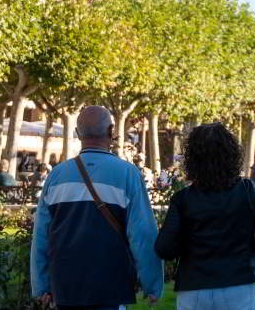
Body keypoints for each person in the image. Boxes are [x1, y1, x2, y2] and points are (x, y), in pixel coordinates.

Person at [30, 105, 162, 308]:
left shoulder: (56, 176)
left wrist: (41, 285)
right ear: (111, 131)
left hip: (65, 285)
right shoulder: (128, 174)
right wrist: (152, 283)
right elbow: (142, 233)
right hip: (110, 282)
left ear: (77, 134)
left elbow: (41, 235)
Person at [155, 122, 255, 310]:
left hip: (195, 285)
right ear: (232, 156)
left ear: (192, 160)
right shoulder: (247, 191)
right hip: (238, 283)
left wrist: (190, 248)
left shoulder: (183, 200)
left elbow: (164, 248)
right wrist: (245, 250)